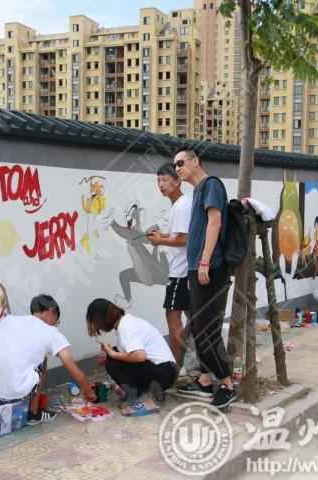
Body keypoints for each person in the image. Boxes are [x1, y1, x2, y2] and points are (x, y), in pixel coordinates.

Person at [172, 148, 236, 408]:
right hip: (197, 268)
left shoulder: (211, 185)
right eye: (174, 165)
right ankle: (206, 380)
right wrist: (193, 269)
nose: (177, 168)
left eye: (180, 163)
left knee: (206, 327)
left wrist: (205, 262)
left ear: (195, 161)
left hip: (210, 266)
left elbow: (214, 222)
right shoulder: (198, 191)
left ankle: (228, 385)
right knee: (199, 326)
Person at [0, 294, 96, 424]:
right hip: (13, 398)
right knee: (42, 359)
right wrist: (89, 392)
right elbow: (75, 372)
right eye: (56, 321)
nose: (54, 325)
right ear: (50, 312)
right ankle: (33, 413)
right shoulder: (50, 332)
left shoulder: (8, 320)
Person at [86, 298, 177, 416]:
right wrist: (111, 353)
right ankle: (138, 394)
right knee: (112, 356)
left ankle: (144, 401)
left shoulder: (126, 327)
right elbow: (130, 352)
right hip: (166, 372)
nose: (98, 327)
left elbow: (139, 356)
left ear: (102, 319)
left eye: (96, 322)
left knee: (112, 360)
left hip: (163, 375)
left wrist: (112, 355)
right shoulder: (127, 322)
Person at [147, 162, 191, 373]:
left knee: (172, 317)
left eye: (165, 180)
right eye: (158, 180)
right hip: (186, 271)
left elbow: (184, 240)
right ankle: (199, 363)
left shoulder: (181, 206)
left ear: (177, 181)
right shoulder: (180, 204)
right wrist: (161, 235)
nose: (161, 185)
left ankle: (177, 365)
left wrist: (160, 241)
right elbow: (178, 235)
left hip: (180, 272)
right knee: (193, 318)